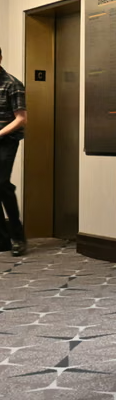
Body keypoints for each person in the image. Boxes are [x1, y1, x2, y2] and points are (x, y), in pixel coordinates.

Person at [0, 47, 27, 257]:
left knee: (2, 184)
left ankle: (18, 237)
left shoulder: (12, 84)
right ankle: (2, 239)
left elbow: (21, 119)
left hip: (6, 141)